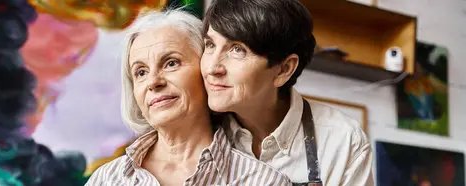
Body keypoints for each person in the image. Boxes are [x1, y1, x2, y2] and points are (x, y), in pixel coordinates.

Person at [86, 9, 291, 186]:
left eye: (171, 63)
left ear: (207, 70)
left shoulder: (262, 181)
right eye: (141, 72)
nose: (153, 82)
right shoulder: (107, 179)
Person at [200, 0, 373, 185]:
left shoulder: (344, 142)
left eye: (237, 50)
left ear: (284, 70)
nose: (212, 68)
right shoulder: (196, 126)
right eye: (210, 45)